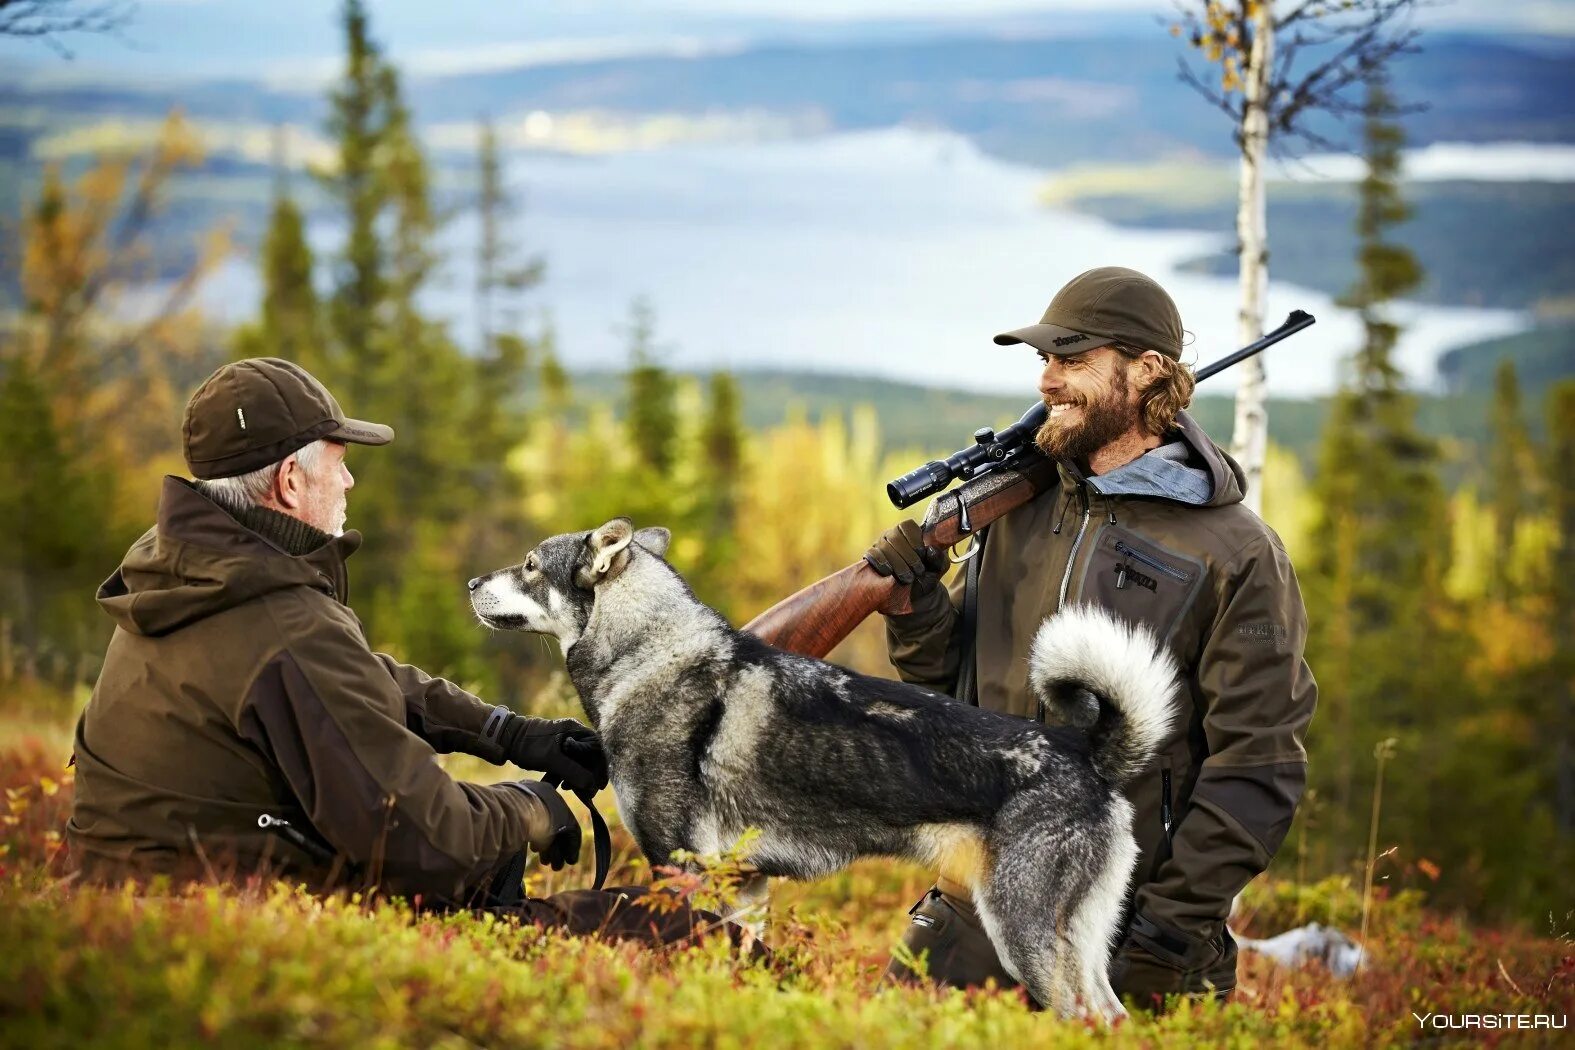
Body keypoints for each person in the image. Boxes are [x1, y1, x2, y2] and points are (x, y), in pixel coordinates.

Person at [65, 357, 741, 948]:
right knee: (693, 937)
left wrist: (507, 733)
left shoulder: (184, 576)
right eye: (339, 462)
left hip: (120, 906)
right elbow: (429, 842)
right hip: (244, 931)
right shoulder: (285, 628)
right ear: (291, 485)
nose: (351, 482)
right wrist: (531, 811)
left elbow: (347, 680)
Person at [865, 267, 1317, 1010]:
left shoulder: (1235, 553)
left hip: (1131, 933)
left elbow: (1258, 766)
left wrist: (1165, 935)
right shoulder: (1015, 509)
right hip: (974, 909)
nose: (1046, 380)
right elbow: (947, 683)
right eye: (1042, 360)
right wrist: (914, 605)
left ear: (1145, 372)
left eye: (1070, 361)